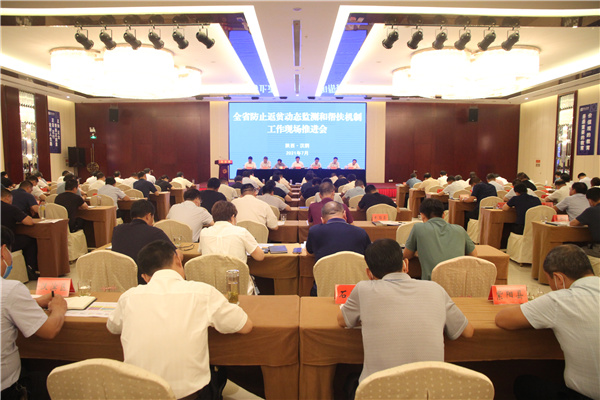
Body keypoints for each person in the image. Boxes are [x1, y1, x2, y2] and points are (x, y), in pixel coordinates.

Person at [107, 240, 252, 400]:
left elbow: (112, 327)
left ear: (145, 277)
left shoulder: (128, 297)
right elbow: (245, 325)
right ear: (177, 260)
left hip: (139, 395)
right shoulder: (201, 292)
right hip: (189, 395)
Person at [338, 239, 474, 393]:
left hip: (379, 392)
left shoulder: (363, 289)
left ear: (369, 273)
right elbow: (468, 331)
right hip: (429, 393)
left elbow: (342, 320)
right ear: (405, 265)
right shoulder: (435, 289)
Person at [495, 245, 599, 400]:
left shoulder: (561, 300)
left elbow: (503, 319)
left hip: (585, 396)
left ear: (558, 279)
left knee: (524, 383)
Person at [1, 226, 67, 399]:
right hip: (7, 390)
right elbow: (49, 330)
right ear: (3, 251)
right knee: (57, 380)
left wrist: (33, 303)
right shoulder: (10, 289)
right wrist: (59, 309)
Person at [404, 199, 476, 280]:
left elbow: (407, 255)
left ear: (422, 215)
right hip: (458, 283)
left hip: (432, 284)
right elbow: (473, 255)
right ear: (443, 215)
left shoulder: (418, 228)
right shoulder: (460, 229)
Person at [112, 200, 180, 284]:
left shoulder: (117, 230)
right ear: (148, 216)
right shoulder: (155, 232)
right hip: (146, 282)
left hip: (119, 281)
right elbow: (177, 255)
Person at [200, 201, 265, 263]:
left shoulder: (204, 233)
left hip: (210, 271)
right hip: (236, 270)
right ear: (232, 217)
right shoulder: (241, 232)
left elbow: (201, 252)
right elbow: (260, 256)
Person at [1, 188, 37, 278]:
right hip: (6, 243)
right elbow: (29, 222)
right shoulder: (11, 208)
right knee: (30, 240)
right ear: (8, 197)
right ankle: (31, 269)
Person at [570, 187, 600, 257]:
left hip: (598, 249)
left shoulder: (591, 210)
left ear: (590, 200)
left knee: (572, 252)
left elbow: (573, 223)